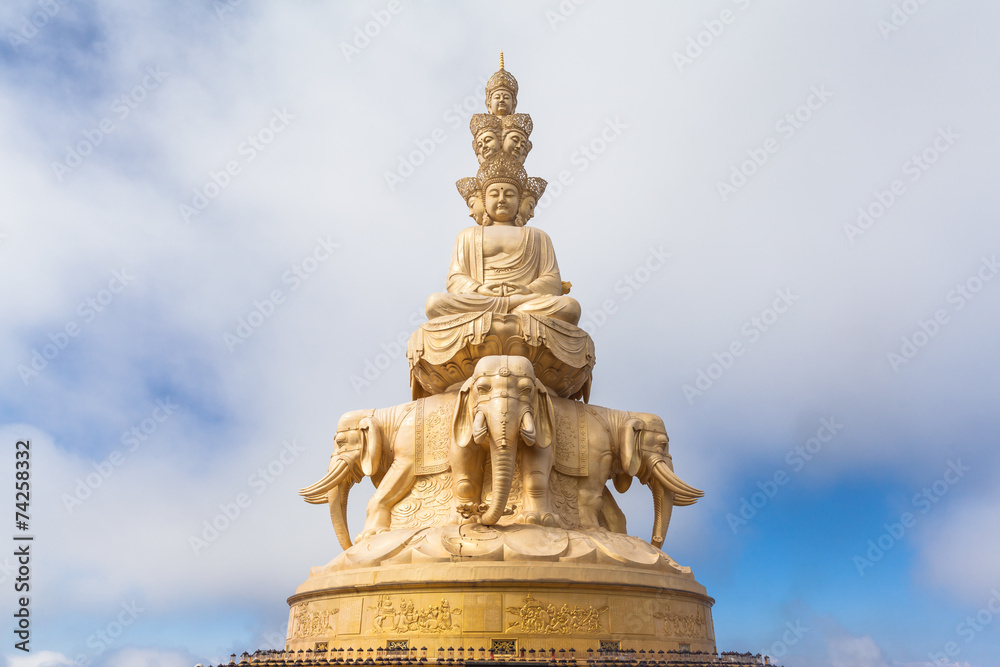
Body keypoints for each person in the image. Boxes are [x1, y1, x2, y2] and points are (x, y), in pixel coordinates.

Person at [426, 153, 579, 324]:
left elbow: (552, 279)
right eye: (494, 194)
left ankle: (513, 305)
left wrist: (526, 289)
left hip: (526, 299)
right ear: (483, 201)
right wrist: (479, 289)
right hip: (482, 298)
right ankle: (511, 306)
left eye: (509, 194)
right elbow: (455, 277)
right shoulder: (467, 235)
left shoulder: (538, 236)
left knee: (570, 306)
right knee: (434, 303)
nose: (501, 200)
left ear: (520, 202)